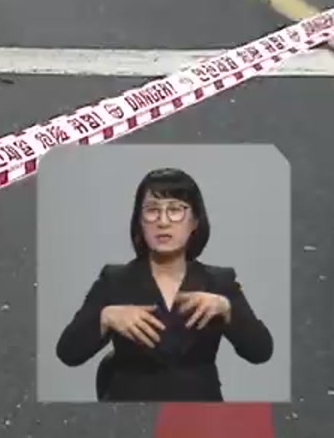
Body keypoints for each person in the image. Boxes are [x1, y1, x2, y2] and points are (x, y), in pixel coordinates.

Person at [55, 168, 274, 402]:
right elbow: (68, 353)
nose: (163, 221)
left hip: (201, 416)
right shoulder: (115, 280)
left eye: (176, 210)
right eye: (152, 211)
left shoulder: (219, 282)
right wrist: (105, 318)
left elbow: (261, 351)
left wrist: (228, 310)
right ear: (139, 222)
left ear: (195, 222)